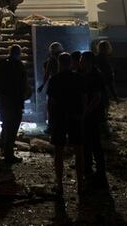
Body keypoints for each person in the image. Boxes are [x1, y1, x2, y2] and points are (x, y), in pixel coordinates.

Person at [46, 52, 85, 194]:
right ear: (71, 63)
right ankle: (80, 184)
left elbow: (51, 102)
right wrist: (83, 114)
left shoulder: (55, 80)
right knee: (78, 150)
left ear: (59, 64)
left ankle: (60, 184)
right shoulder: (78, 78)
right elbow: (84, 97)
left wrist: (50, 120)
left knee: (59, 151)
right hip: (75, 116)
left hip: (59, 117)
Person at [0, 44, 30, 164]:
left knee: (6, 124)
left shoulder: (1, 63)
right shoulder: (18, 65)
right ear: (18, 53)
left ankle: (5, 149)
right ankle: (9, 154)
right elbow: (23, 83)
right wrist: (25, 95)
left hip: (3, 99)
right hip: (15, 101)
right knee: (13, 127)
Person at [79, 51, 107, 187]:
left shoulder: (95, 75)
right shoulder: (89, 74)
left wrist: (86, 112)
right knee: (88, 142)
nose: (80, 62)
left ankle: (99, 171)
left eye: (82, 59)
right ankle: (89, 168)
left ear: (88, 61)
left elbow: (97, 97)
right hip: (90, 113)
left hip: (93, 114)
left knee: (94, 142)